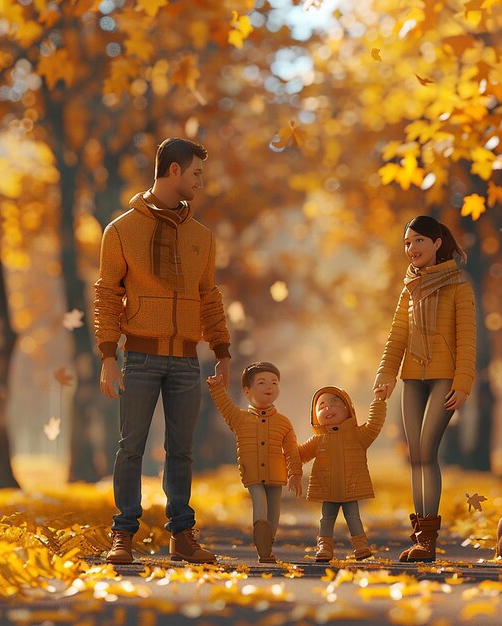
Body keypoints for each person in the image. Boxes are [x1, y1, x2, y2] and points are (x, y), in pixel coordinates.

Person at [94, 137, 231, 565]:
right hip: (139, 357)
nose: (200, 183)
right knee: (130, 446)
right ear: (173, 171)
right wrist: (106, 355)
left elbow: (209, 296)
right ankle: (123, 534)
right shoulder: (120, 231)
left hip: (187, 360)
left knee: (181, 450)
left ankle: (182, 536)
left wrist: (222, 349)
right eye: (196, 174)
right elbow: (106, 295)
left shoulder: (202, 238)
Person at [374, 215, 476, 562]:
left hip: (444, 378)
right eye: (406, 243)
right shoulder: (410, 287)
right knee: (415, 455)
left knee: (427, 451)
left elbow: (467, 340)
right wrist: (386, 373)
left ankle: (428, 540)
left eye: (418, 241)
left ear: (436, 243)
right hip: (411, 379)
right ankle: (419, 536)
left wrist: (463, 383)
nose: (411, 248)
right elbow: (397, 336)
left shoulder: (458, 285)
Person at [206, 362, 303, 562]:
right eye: (262, 382)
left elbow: (292, 450)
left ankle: (269, 543)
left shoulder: (284, 422)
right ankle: (263, 546)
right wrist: (216, 387)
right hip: (252, 473)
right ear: (247, 391)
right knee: (260, 503)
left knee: (274, 510)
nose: (269, 387)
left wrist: (295, 473)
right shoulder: (239, 418)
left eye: (274, 382)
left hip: (277, 474)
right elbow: (225, 405)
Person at [299, 386, 386, 562]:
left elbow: (374, 423)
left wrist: (379, 401)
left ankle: (360, 545)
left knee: (353, 517)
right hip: (328, 490)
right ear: (315, 416)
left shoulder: (359, 435)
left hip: (350, 489)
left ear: (348, 409)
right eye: (321, 406)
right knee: (326, 519)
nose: (328, 408)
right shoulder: (317, 440)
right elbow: (299, 455)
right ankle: (324, 546)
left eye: (335, 403)